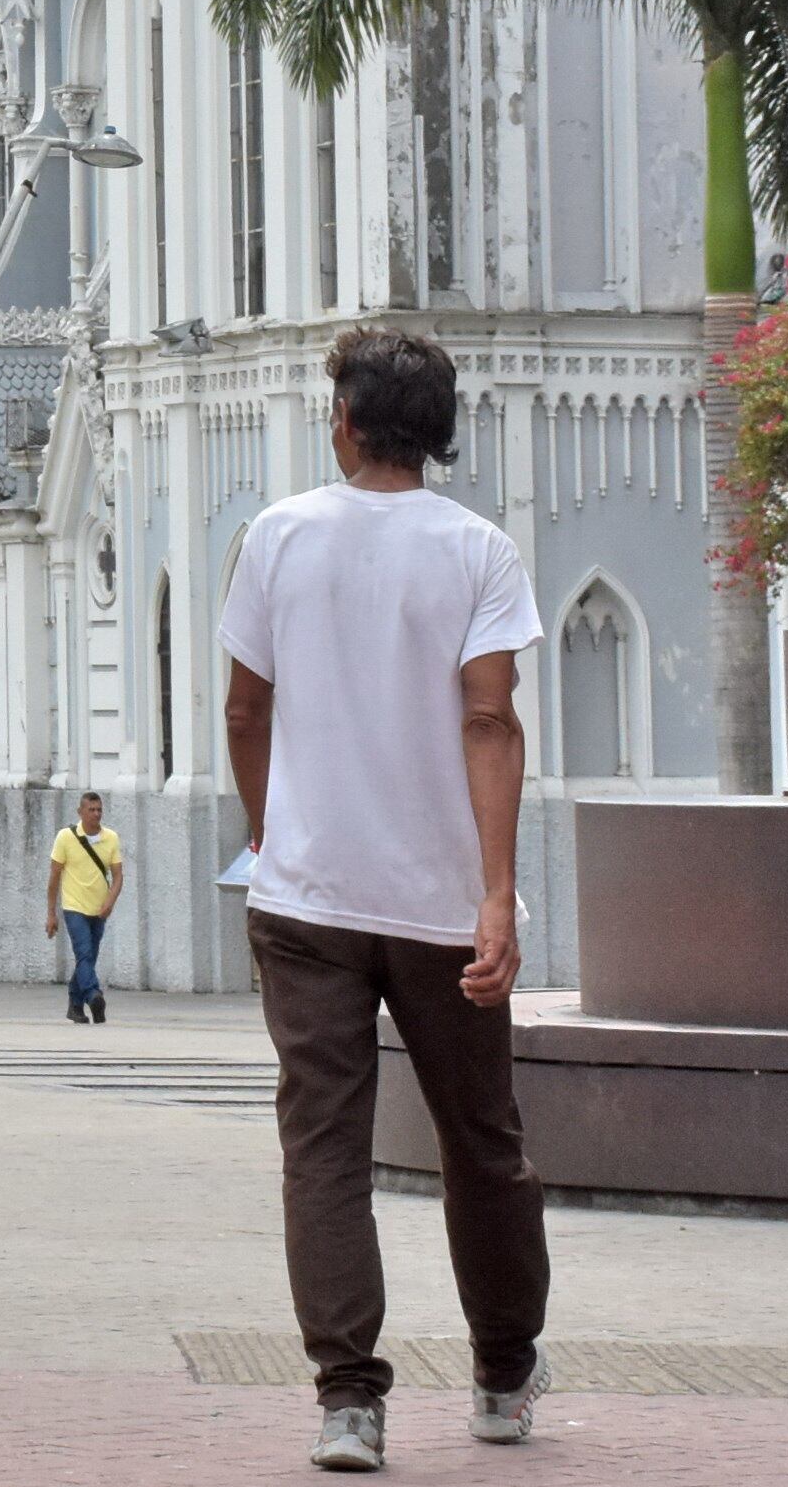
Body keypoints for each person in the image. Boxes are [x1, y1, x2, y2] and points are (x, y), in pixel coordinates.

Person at [221, 328, 546, 1474]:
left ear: (346, 422)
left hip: (305, 897)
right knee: (479, 1139)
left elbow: (244, 711)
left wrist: (270, 831)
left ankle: (346, 1402)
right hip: (437, 905)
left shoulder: (276, 536)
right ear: (439, 428)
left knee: (322, 1147)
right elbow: (489, 720)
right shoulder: (479, 553)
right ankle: (503, 1376)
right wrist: (495, 895)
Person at [45, 791, 124, 1026]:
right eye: (91, 810)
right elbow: (54, 877)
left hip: (99, 909)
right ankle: (93, 996)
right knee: (84, 954)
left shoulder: (110, 838)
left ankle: (75, 1005)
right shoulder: (65, 838)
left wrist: (110, 901)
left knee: (88, 959)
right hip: (74, 907)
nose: (96, 814)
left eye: (99, 809)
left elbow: (118, 876)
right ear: (80, 812)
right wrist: (51, 913)